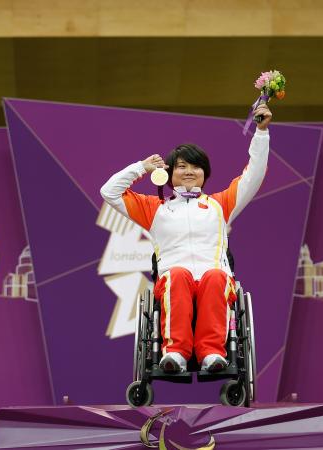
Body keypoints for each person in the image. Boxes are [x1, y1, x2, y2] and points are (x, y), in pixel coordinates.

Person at [100, 105, 272, 374]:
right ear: (169, 174)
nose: (189, 171)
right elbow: (109, 192)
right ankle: (176, 352)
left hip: (213, 278)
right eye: (181, 166)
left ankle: (212, 353)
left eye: (196, 166)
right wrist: (141, 167)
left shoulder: (220, 204)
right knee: (177, 275)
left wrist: (260, 132)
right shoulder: (155, 208)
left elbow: (254, 176)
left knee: (216, 276)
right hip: (173, 280)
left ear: (205, 173)